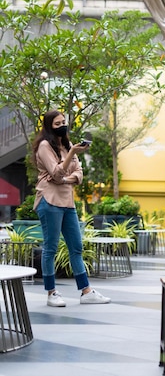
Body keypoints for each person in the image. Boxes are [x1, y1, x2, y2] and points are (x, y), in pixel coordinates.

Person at [33, 110, 110, 307]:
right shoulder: (44, 146)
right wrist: (72, 157)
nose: (62, 126)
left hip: (68, 202)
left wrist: (68, 176)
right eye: (57, 123)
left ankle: (86, 291)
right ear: (49, 126)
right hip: (49, 201)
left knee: (76, 247)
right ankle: (51, 292)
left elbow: (79, 174)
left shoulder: (67, 145)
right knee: (50, 248)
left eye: (63, 122)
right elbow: (57, 173)